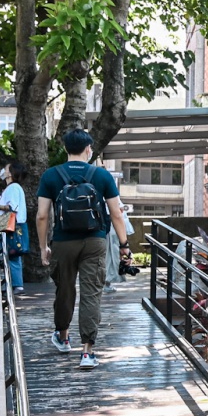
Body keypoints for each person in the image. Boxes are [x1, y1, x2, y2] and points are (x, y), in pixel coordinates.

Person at [36, 129, 132, 369]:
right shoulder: (101, 176)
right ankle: (87, 352)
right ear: (88, 149)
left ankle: (63, 337)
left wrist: (43, 247)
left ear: (66, 149)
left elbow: (41, 217)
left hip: (63, 242)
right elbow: (117, 214)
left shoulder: (51, 176)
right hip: (95, 242)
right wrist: (124, 246)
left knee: (64, 290)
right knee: (91, 294)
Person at [0, 162, 29, 293]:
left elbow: (11, 208)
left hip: (9, 224)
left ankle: (16, 285)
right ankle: (15, 284)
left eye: (5, 169)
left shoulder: (13, 188)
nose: (3, 170)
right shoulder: (12, 188)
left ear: (10, 173)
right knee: (11, 255)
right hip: (9, 223)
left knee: (10, 254)